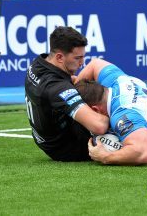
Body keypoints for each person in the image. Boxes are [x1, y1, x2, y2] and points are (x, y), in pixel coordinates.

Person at [75, 58, 147, 165]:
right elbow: (94, 64)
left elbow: (145, 152)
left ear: (95, 110)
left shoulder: (122, 115)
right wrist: (73, 90)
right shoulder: (116, 80)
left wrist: (105, 156)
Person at [24, 27, 109, 161]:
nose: (82, 63)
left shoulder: (39, 63)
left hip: (46, 138)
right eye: (78, 58)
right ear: (59, 57)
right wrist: (116, 110)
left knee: (96, 65)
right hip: (68, 146)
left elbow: (68, 81)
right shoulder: (56, 88)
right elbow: (99, 126)